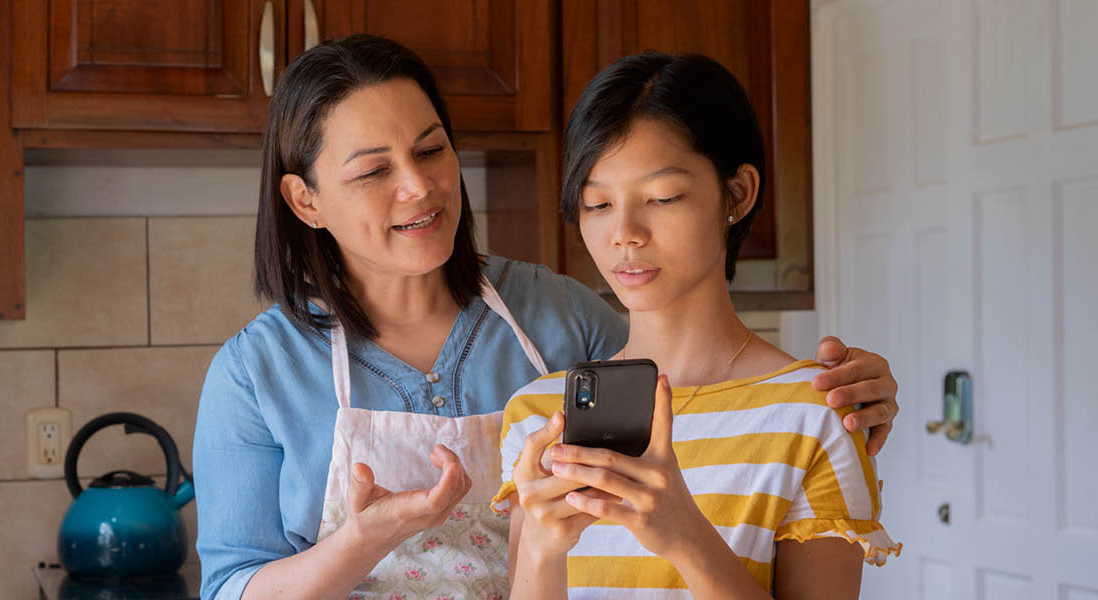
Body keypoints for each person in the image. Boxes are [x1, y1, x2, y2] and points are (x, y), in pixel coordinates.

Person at [193, 35, 900, 600]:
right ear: (306, 199)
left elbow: (695, 376)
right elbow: (231, 588)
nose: (420, 185)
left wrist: (843, 394)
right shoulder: (257, 374)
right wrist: (363, 538)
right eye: (373, 171)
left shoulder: (560, 319)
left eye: (433, 148)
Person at [495, 52, 900, 599]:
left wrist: (685, 535)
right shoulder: (538, 416)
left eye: (662, 197)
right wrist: (542, 551)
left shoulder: (815, 415)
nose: (625, 233)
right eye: (597, 204)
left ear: (737, 195)